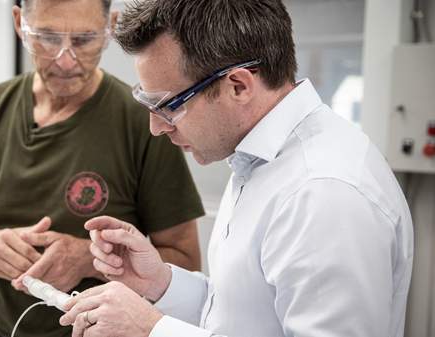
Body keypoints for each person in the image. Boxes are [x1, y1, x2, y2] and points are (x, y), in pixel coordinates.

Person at [58, 1, 414, 336]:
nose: (156, 127)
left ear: (239, 86)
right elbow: (244, 315)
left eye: (167, 105)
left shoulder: (324, 192)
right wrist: (161, 283)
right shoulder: (260, 161)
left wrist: (152, 329)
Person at [0, 0, 206, 336]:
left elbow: (186, 262)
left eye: (84, 40)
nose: (65, 59)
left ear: (110, 29)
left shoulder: (141, 122)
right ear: (19, 24)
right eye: (47, 37)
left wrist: (90, 259)